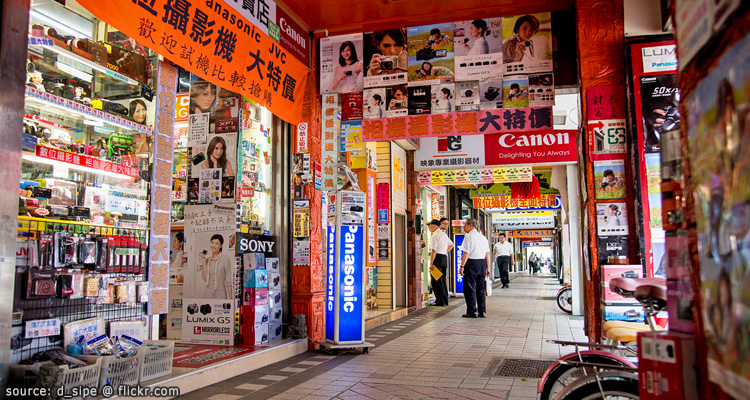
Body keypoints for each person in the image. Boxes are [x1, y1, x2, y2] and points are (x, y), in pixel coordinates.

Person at [459, 218, 491, 318]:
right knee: (480, 288)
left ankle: (471, 310)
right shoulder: (483, 237)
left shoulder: (468, 236)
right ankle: (482, 311)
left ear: (471, 226)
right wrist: (487, 267)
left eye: (465, 225)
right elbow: (487, 254)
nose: (463, 227)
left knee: (469, 288)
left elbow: (466, 252)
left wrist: (462, 266)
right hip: (481, 263)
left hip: (471, 263)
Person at [197, 234, 234, 299]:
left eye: (216, 243)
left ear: (221, 246)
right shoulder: (207, 260)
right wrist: (203, 260)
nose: (213, 245)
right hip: (208, 295)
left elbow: (228, 280)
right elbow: (205, 278)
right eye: (212, 242)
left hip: (221, 294)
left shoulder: (225, 258)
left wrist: (230, 298)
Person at [427, 219, 453, 306]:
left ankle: (440, 301)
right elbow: (451, 244)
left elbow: (434, 251)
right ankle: (445, 300)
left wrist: (431, 263)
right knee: (442, 280)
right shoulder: (443, 234)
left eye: (430, 226)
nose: (429, 227)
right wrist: (445, 251)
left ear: (434, 226)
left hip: (437, 258)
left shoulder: (435, 235)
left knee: (436, 281)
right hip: (444, 258)